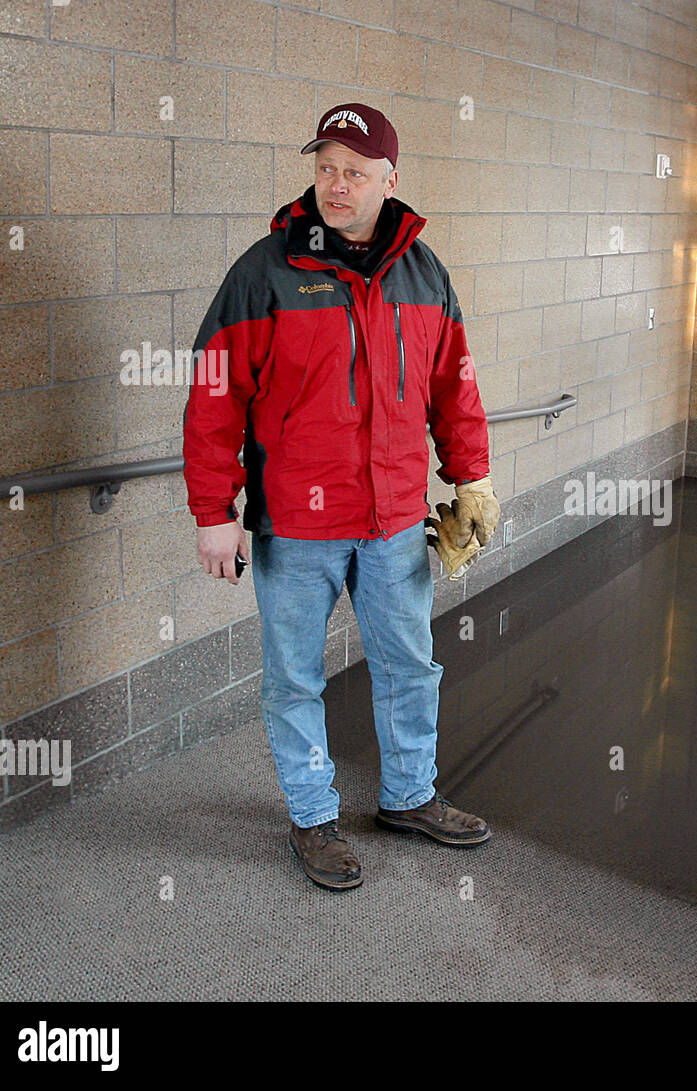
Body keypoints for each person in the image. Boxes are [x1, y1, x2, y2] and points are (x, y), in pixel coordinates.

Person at [182, 102, 500, 891]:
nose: (336, 184)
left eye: (355, 172)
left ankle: (408, 796)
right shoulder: (266, 271)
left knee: (409, 666)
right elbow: (214, 394)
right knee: (294, 676)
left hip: (393, 519)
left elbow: (454, 389)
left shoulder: (425, 273)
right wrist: (214, 513)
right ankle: (313, 815)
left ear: (390, 180)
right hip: (296, 523)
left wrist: (471, 476)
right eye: (325, 167)